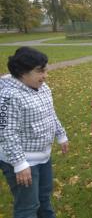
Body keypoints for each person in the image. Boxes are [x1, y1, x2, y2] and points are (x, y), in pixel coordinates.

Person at [0, 47, 69, 218]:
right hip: (22, 161)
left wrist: (60, 134)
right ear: (22, 73)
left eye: (45, 70)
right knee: (28, 206)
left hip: (43, 155)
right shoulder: (9, 96)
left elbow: (50, 113)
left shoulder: (43, 88)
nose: (45, 75)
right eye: (40, 71)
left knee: (44, 197)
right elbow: (6, 133)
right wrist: (19, 164)